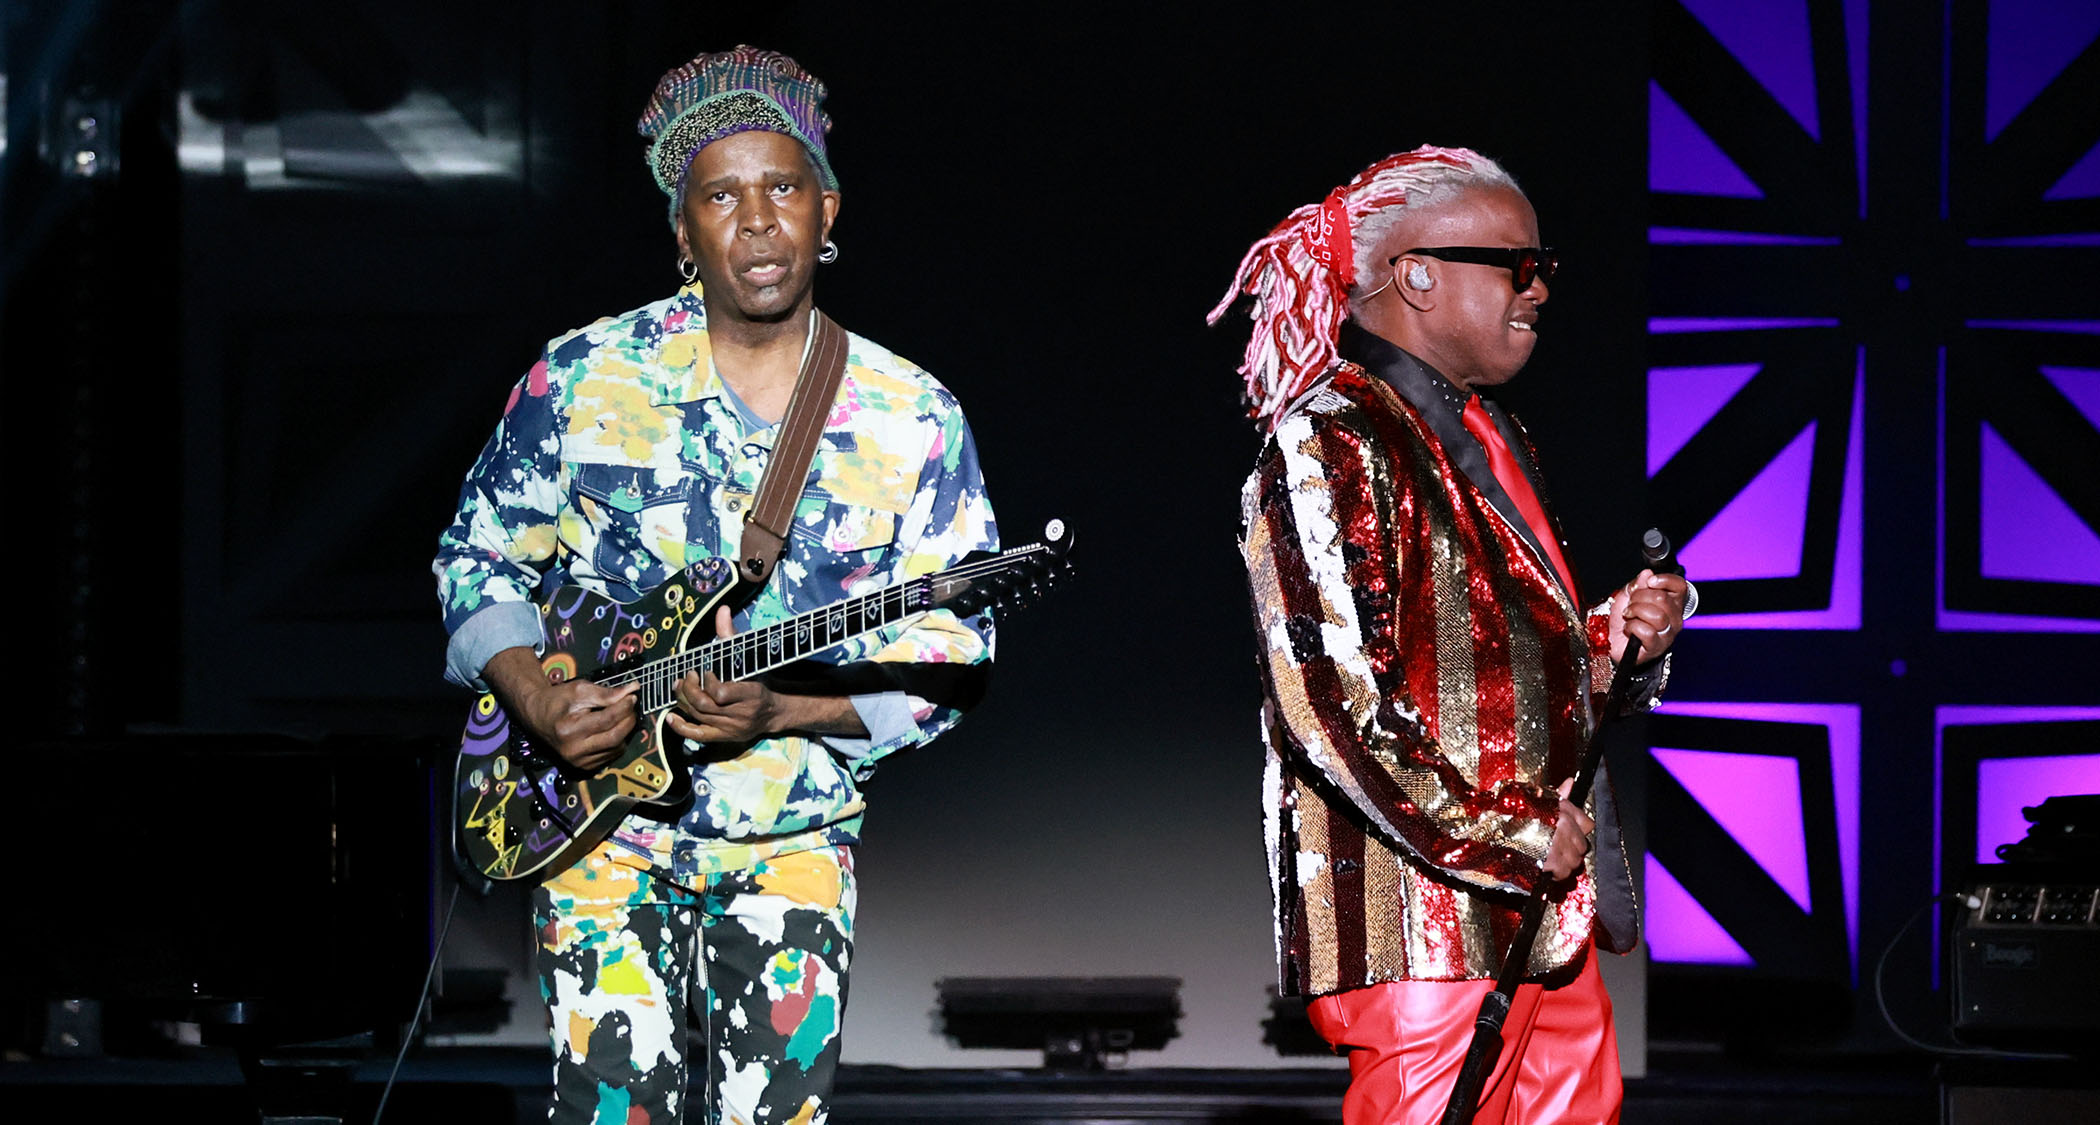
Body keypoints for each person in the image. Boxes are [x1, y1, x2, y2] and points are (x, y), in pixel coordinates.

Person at [433, 45, 997, 1125]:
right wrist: (539, 699)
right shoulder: (583, 377)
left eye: (783, 189)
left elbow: (954, 656)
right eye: (721, 196)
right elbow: (477, 557)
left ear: (828, 210)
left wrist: (788, 707)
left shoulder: (910, 414)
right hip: (597, 834)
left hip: (793, 843)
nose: (756, 223)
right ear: (682, 230)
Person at [1214, 146, 1692, 1124]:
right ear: (1417, 275)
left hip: (1545, 925)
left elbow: (1492, 675)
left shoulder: (1494, 438)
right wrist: (1506, 833)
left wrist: (1617, 640)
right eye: (1518, 262)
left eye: (1544, 265)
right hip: (1424, 935)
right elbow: (1330, 704)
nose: (1541, 287)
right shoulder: (1328, 442)